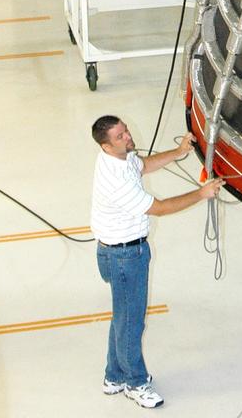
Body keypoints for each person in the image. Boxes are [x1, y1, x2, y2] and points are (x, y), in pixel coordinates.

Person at [90, 115, 224, 409]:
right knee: (131, 323)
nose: (128, 137)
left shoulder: (120, 158)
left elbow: (144, 165)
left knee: (123, 317)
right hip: (124, 257)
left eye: (125, 130)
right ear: (106, 145)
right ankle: (135, 383)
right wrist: (202, 193)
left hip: (120, 253)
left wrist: (178, 153)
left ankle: (114, 376)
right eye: (120, 136)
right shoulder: (115, 181)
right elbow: (159, 208)